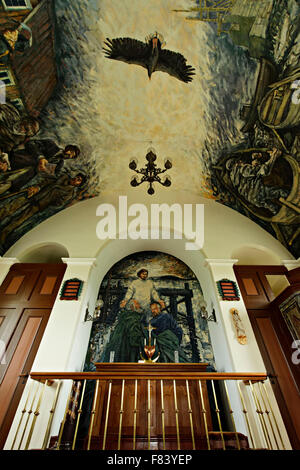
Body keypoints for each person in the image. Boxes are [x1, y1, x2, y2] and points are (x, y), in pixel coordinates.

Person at [0, 172, 87, 245]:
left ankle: (4, 233)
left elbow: (58, 203)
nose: (76, 179)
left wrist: (48, 200)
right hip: (34, 194)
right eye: (77, 177)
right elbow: (47, 180)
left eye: (79, 180)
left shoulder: (70, 194)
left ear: (78, 185)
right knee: (10, 207)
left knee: (20, 219)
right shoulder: (63, 177)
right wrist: (37, 187)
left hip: (40, 205)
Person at [226, 147, 289, 214]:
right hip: (258, 191)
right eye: (239, 161)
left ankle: (275, 210)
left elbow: (249, 179)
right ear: (236, 163)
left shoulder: (234, 178)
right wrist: (273, 156)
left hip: (252, 199)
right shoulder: (242, 169)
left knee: (271, 206)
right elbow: (263, 171)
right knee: (279, 192)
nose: (241, 161)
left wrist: (254, 165)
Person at [7, 139, 80, 191]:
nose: (70, 155)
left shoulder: (59, 164)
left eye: (72, 156)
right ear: (68, 148)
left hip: (23, 176)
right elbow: (30, 143)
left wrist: (44, 171)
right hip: (16, 161)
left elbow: (52, 177)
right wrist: (40, 158)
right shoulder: (51, 145)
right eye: (71, 152)